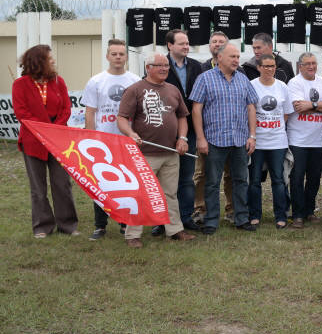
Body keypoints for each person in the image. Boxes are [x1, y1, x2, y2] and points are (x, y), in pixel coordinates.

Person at [117, 53, 196, 247]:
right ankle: (133, 235)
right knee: (140, 194)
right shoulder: (135, 90)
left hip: (170, 153)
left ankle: (174, 230)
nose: (163, 69)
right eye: (159, 65)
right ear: (148, 68)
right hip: (145, 154)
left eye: (166, 66)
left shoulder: (173, 90)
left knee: (170, 193)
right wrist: (131, 133)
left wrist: (183, 138)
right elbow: (121, 118)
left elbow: (182, 117)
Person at [190, 44, 259, 235]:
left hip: (239, 140)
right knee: (212, 182)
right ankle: (211, 221)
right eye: (232, 56)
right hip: (214, 140)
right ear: (219, 58)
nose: (236, 60)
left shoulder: (243, 79)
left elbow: (251, 107)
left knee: (240, 180)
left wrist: (252, 135)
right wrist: (201, 138)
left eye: (238, 56)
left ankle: (241, 218)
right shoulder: (205, 79)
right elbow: (196, 109)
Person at [13, 45, 79, 239]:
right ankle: (42, 226)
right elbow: (22, 112)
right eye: (49, 58)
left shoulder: (58, 82)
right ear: (38, 61)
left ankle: (67, 225)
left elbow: (66, 108)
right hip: (32, 142)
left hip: (58, 141)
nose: (53, 61)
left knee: (62, 184)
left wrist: (54, 130)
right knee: (38, 188)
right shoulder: (20, 84)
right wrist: (43, 130)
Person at [83, 39, 140, 240]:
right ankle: (100, 225)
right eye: (114, 54)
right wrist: (92, 139)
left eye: (121, 54)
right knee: (100, 183)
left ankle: (125, 223)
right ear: (107, 56)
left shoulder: (134, 80)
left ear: (126, 57)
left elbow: (139, 112)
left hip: (127, 141)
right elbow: (90, 112)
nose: (118, 57)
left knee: (126, 182)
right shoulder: (96, 81)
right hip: (103, 142)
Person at [153, 29, 203, 236]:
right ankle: (160, 221)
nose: (186, 46)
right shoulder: (159, 66)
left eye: (187, 43)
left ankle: (184, 217)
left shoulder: (196, 67)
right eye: (181, 43)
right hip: (163, 131)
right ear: (170, 45)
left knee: (186, 177)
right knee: (161, 179)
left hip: (189, 129)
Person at [286, 53, 322, 228]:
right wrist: (320, 107)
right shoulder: (295, 82)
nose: (311, 66)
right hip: (298, 139)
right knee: (297, 177)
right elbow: (299, 107)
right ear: (300, 66)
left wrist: (312, 105)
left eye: (314, 63)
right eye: (307, 64)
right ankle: (297, 213)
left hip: (318, 140)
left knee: (314, 178)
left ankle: (309, 211)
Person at [192, 31, 234, 224]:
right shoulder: (199, 69)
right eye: (214, 41)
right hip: (207, 132)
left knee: (230, 173)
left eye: (221, 42)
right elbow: (196, 104)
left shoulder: (237, 70)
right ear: (210, 46)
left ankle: (231, 209)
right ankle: (200, 208)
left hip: (231, 134)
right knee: (202, 173)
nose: (217, 44)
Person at [248, 54, 294, 229]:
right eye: (266, 66)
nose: (269, 69)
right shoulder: (252, 86)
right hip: (257, 141)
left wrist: (274, 126)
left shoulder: (282, 86)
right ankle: (254, 215)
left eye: (272, 66)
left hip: (277, 141)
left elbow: (287, 113)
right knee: (254, 180)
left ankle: (280, 216)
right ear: (259, 67)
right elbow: (249, 111)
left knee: (278, 180)